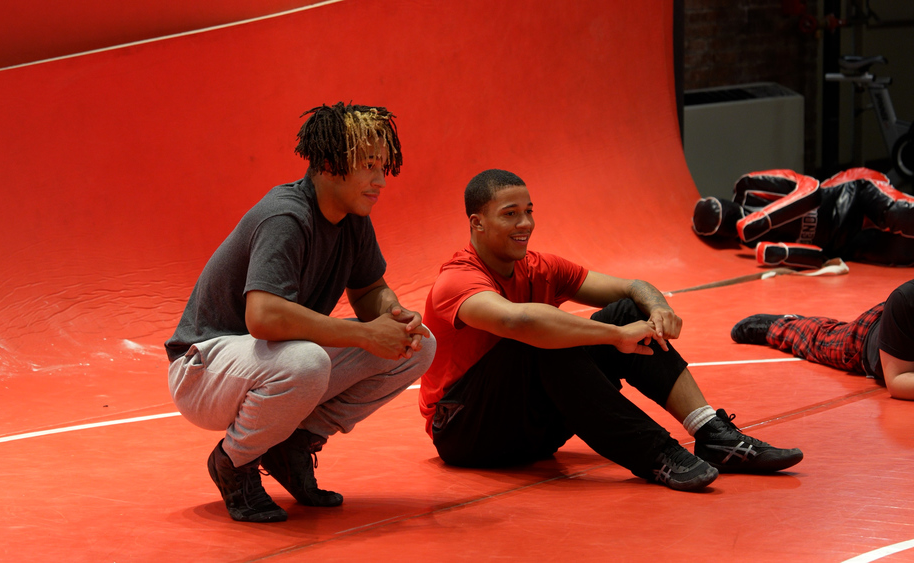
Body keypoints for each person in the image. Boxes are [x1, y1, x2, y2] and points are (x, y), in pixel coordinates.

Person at [420, 169, 803, 492]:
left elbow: (632, 288)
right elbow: (517, 321)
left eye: (529, 211)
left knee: (626, 312)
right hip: (466, 433)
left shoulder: (541, 266)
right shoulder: (457, 279)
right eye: (510, 214)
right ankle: (658, 453)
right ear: (477, 223)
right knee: (542, 337)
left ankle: (713, 435)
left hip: (533, 432)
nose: (526, 224)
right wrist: (615, 337)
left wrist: (658, 310)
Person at [165, 102, 436, 523]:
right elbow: (264, 318)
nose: (381, 180)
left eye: (383, 167)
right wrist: (367, 335)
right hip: (201, 371)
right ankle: (234, 462)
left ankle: (293, 444)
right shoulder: (286, 216)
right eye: (369, 166)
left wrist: (394, 316)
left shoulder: (352, 218)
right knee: (306, 362)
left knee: (419, 345)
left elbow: (370, 290)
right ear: (329, 164)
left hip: (266, 361)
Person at [692, 168, 914, 269]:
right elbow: (819, 257)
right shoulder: (750, 245)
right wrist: (780, 254)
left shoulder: (749, 187)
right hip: (846, 243)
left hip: (852, 197)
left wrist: (765, 219)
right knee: (903, 252)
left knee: (899, 213)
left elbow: (810, 189)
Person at [731, 279, 914, 400]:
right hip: (867, 339)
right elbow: (897, 382)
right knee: (823, 340)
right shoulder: (905, 298)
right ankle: (782, 325)